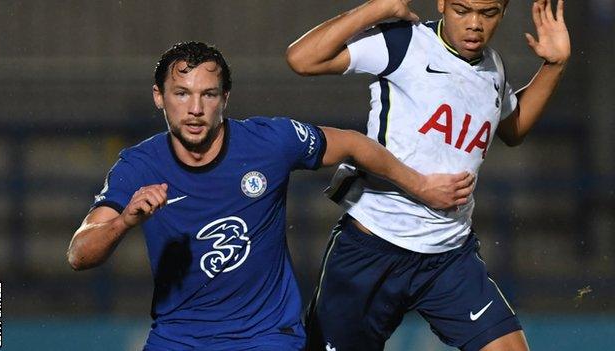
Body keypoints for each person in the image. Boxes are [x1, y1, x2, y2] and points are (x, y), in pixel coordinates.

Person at [66, 41, 475, 351]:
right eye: (181, 93)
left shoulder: (269, 143)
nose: (195, 108)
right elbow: (78, 255)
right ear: (159, 97)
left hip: (267, 336)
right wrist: (125, 221)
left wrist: (419, 185)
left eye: (208, 94)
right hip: (180, 338)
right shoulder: (139, 166)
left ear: (225, 99)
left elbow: (351, 143)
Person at [286, 0, 570, 350]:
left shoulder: (493, 67)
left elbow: (514, 129)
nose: (475, 24)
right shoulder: (405, 43)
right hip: (373, 247)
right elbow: (302, 59)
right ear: (442, 4)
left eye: (488, 13)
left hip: (448, 256)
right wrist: (379, 8)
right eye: (463, 10)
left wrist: (554, 65)